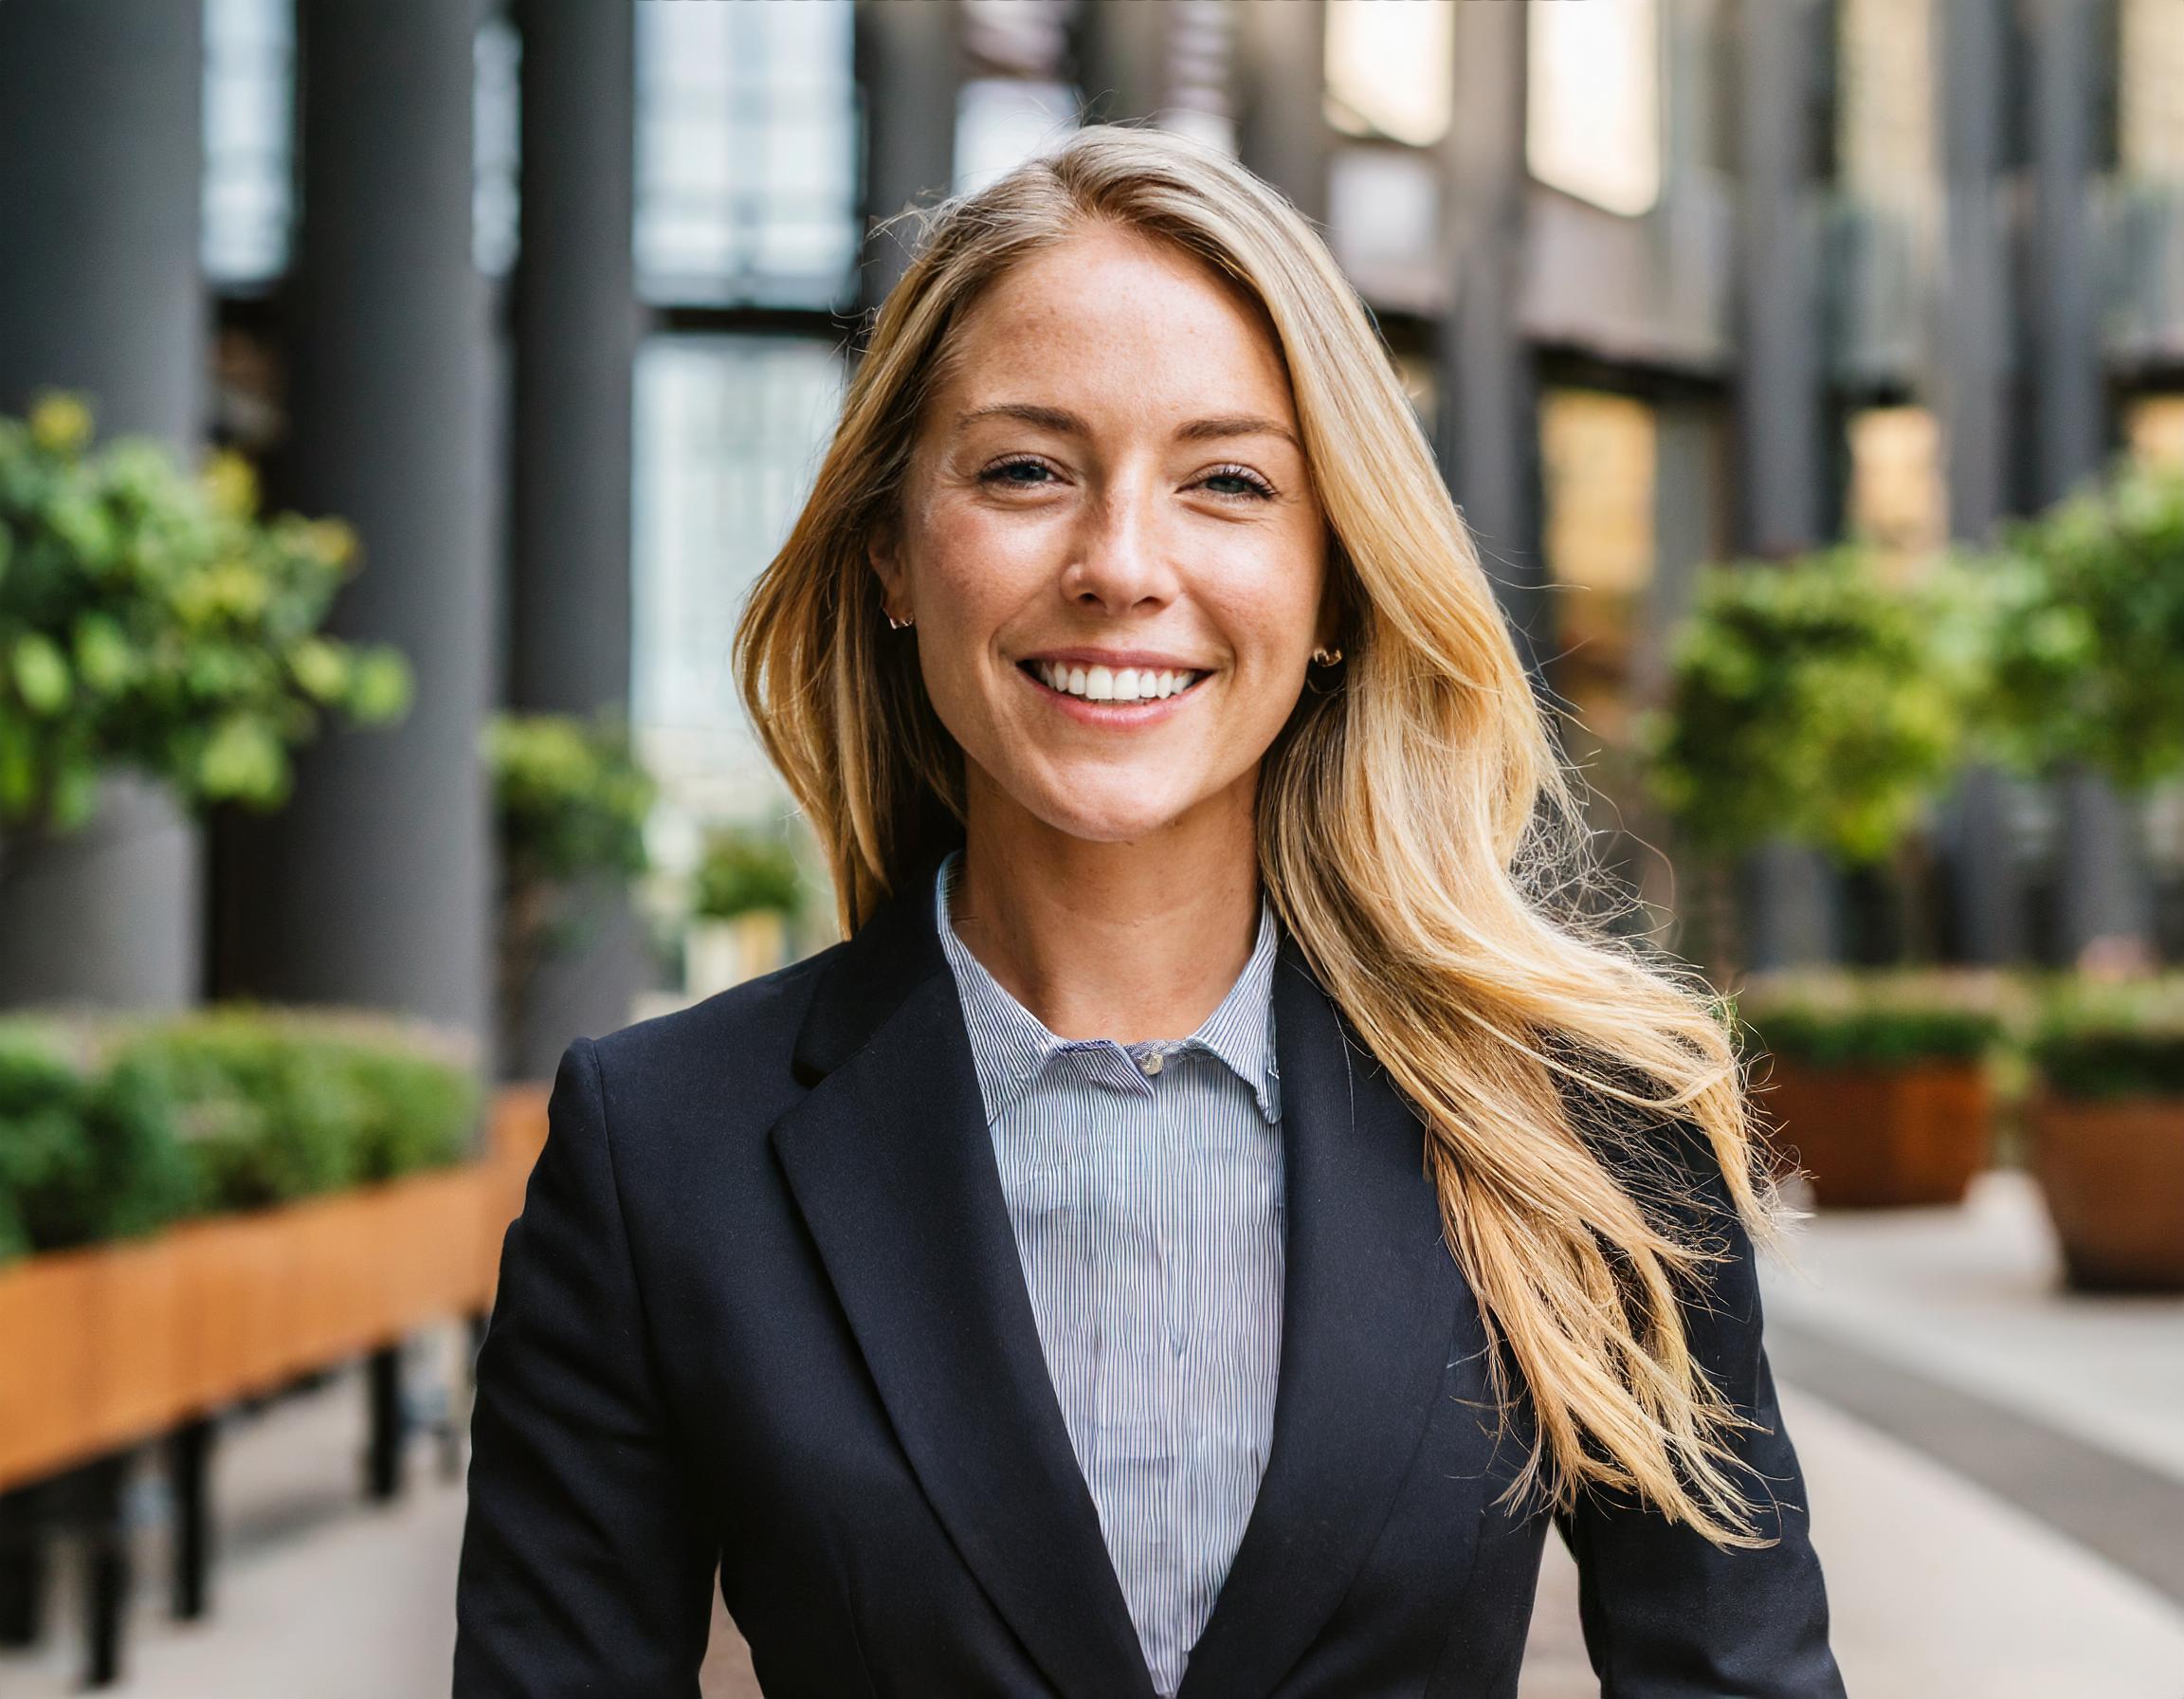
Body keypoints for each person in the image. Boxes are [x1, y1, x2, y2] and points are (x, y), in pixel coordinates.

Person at [453, 125, 1846, 1698]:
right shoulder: (661, 1152)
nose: (1121, 565)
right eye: (1026, 470)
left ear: (1335, 577)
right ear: (894, 552)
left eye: (1227, 481)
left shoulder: (1577, 1126)